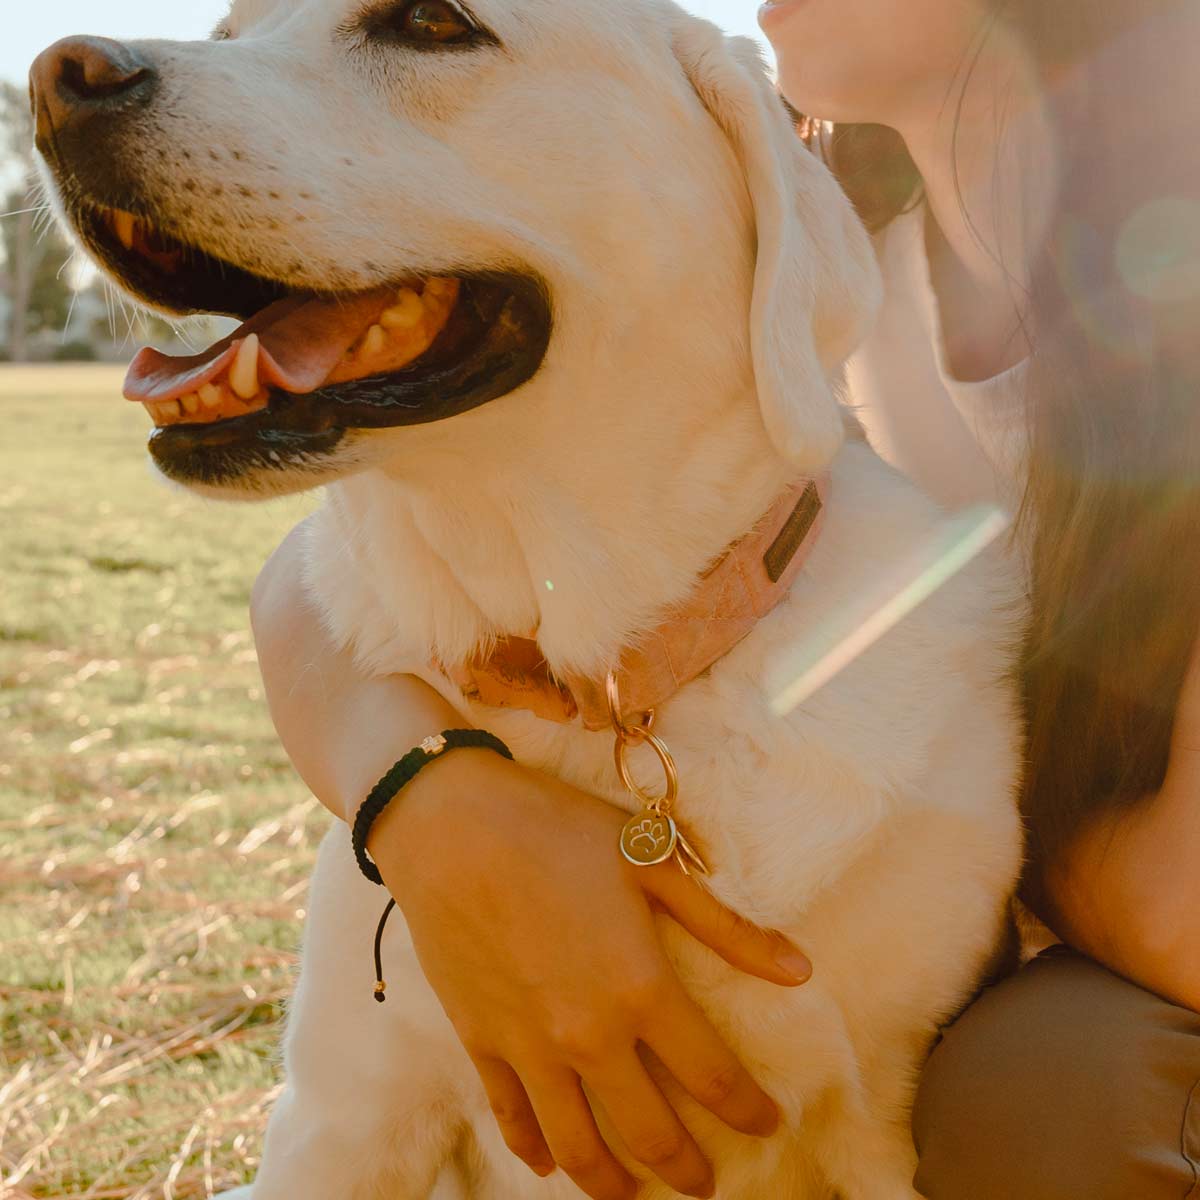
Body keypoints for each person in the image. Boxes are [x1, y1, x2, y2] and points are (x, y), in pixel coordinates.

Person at [249, 0, 1200, 1196]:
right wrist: (438, 807)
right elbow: (313, 577)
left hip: (1123, 992)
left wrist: (931, 825)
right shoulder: (807, 252)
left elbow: (1184, 908)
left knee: (1050, 1091)